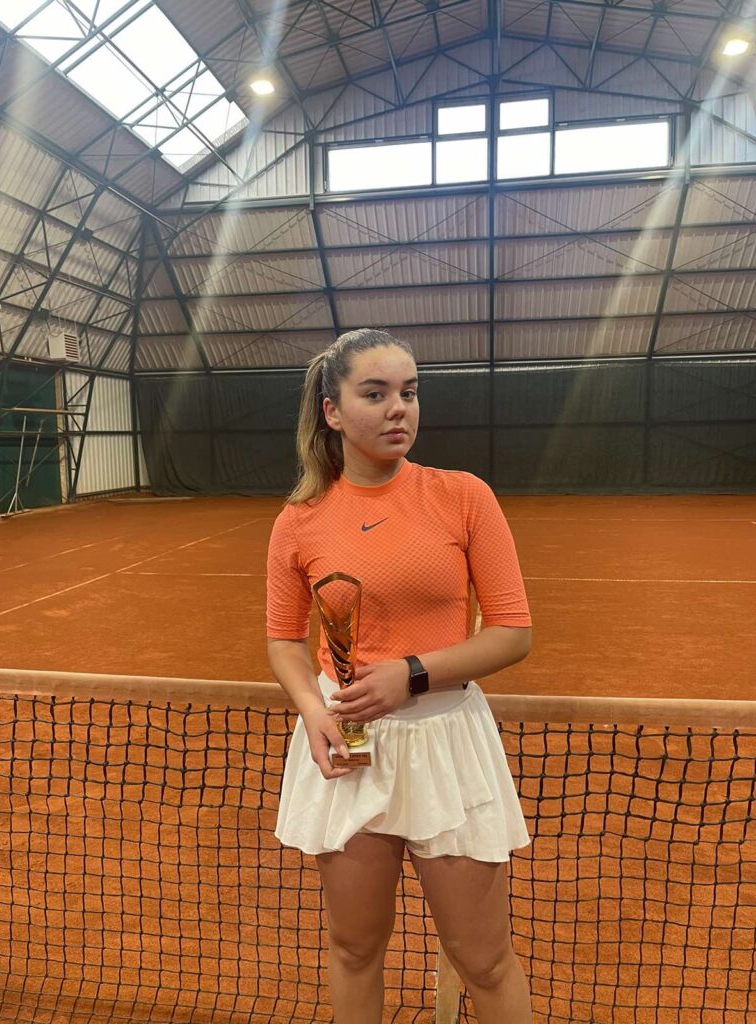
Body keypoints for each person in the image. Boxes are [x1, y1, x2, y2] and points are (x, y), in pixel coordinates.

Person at [266, 328, 533, 1024]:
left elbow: (512, 632)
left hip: (447, 744)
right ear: (332, 411)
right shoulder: (299, 521)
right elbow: (284, 640)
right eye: (376, 393)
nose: (398, 409)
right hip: (348, 747)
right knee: (354, 948)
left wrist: (411, 675)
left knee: (485, 960)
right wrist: (313, 710)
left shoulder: (463, 496)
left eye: (409, 393)